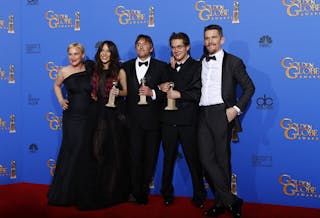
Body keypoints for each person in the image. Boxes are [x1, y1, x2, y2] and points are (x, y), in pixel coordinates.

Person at [198, 24, 255, 218]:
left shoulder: (233, 62)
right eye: (206, 38)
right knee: (206, 159)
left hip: (221, 113)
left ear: (222, 39)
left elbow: (250, 88)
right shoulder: (201, 61)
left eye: (214, 37)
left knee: (222, 161)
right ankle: (232, 201)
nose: (210, 41)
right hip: (202, 113)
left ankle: (221, 204)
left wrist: (236, 109)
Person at [159, 32, 206, 208]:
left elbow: (199, 92)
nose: (176, 50)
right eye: (173, 47)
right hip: (168, 121)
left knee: (194, 160)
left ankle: (199, 195)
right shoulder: (166, 67)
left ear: (187, 47)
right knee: (168, 160)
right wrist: (160, 87)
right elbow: (158, 90)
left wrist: (180, 94)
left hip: (189, 121)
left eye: (179, 46)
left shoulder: (198, 66)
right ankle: (166, 193)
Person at [47, 42, 95, 207]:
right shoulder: (64, 71)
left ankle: (82, 191)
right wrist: (61, 99)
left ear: (82, 55)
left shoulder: (89, 69)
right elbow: (56, 85)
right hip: (72, 117)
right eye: (70, 54)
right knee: (71, 150)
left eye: (76, 54)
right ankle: (66, 191)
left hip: (88, 116)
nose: (73, 57)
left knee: (84, 152)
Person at [122, 34, 168, 205]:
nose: (141, 47)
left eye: (145, 44)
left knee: (150, 158)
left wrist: (154, 93)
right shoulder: (124, 67)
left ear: (151, 48)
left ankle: (142, 192)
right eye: (138, 44)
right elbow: (118, 88)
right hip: (132, 121)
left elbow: (169, 90)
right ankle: (134, 191)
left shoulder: (162, 67)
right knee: (133, 158)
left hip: (153, 121)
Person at [89, 40, 131, 208]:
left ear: (113, 53)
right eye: (102, 50)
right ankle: (99, 187)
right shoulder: (94, 70)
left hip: (114, 115)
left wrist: (118, 92)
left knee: (115, 154)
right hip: (97, 114)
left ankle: (112, 191)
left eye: (108, 50)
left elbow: (126, 91)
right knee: (96, 151)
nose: (104, 53)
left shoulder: (119, 71)